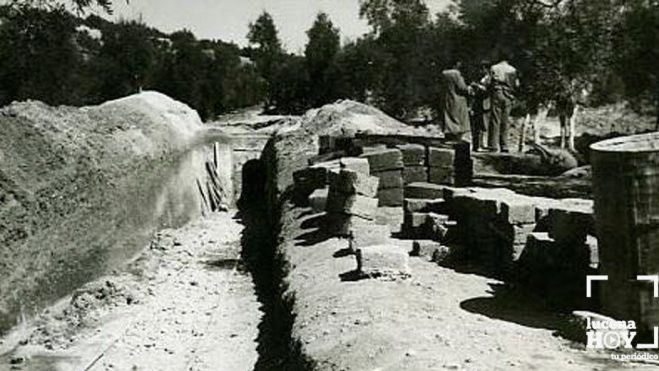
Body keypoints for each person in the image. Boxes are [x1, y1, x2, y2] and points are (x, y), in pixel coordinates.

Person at [488, 56, 519, 152]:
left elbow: (490, 81)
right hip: (508, 95)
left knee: (495, 119)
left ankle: (493, 145)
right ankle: (504, 145)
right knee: (505, 121)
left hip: (497, 93)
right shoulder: (513, 69)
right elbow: (516, 84)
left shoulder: (494, 67)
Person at [440, 60, 472, 143]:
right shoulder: (456, 73)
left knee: (448, 117)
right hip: (457, 99)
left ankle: (448, 135)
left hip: (447, 98)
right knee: (458, 118)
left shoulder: (444, 73)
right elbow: (461, 87)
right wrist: (469, 88)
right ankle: (456, 137)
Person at [470, 60, 492, 151]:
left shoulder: (490, 78)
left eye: (482, 69)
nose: (480, 71)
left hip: (485, 104)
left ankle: (480, 144)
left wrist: (478, 87)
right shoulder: (480, 78)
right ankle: (476, 145)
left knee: (482, 125)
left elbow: (488, 91)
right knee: (476, 125)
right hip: (477, 104)